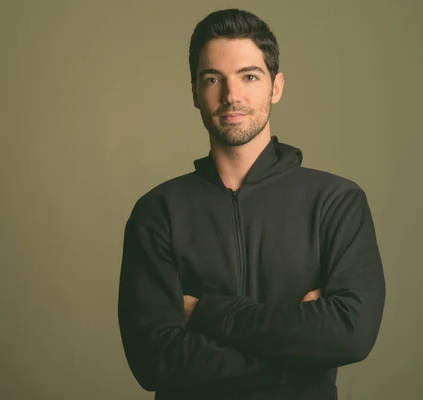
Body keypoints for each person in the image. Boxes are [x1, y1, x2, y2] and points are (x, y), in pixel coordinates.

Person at [117, 8, 386, 400]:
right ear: (194, 91)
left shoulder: (336, 203)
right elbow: (154, 360)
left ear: (276, 87)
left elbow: (351, 335)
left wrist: (204, 313)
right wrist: (301, 359)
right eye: (213, 79)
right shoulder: (158, 213)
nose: (232, 96)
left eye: (249, 76)